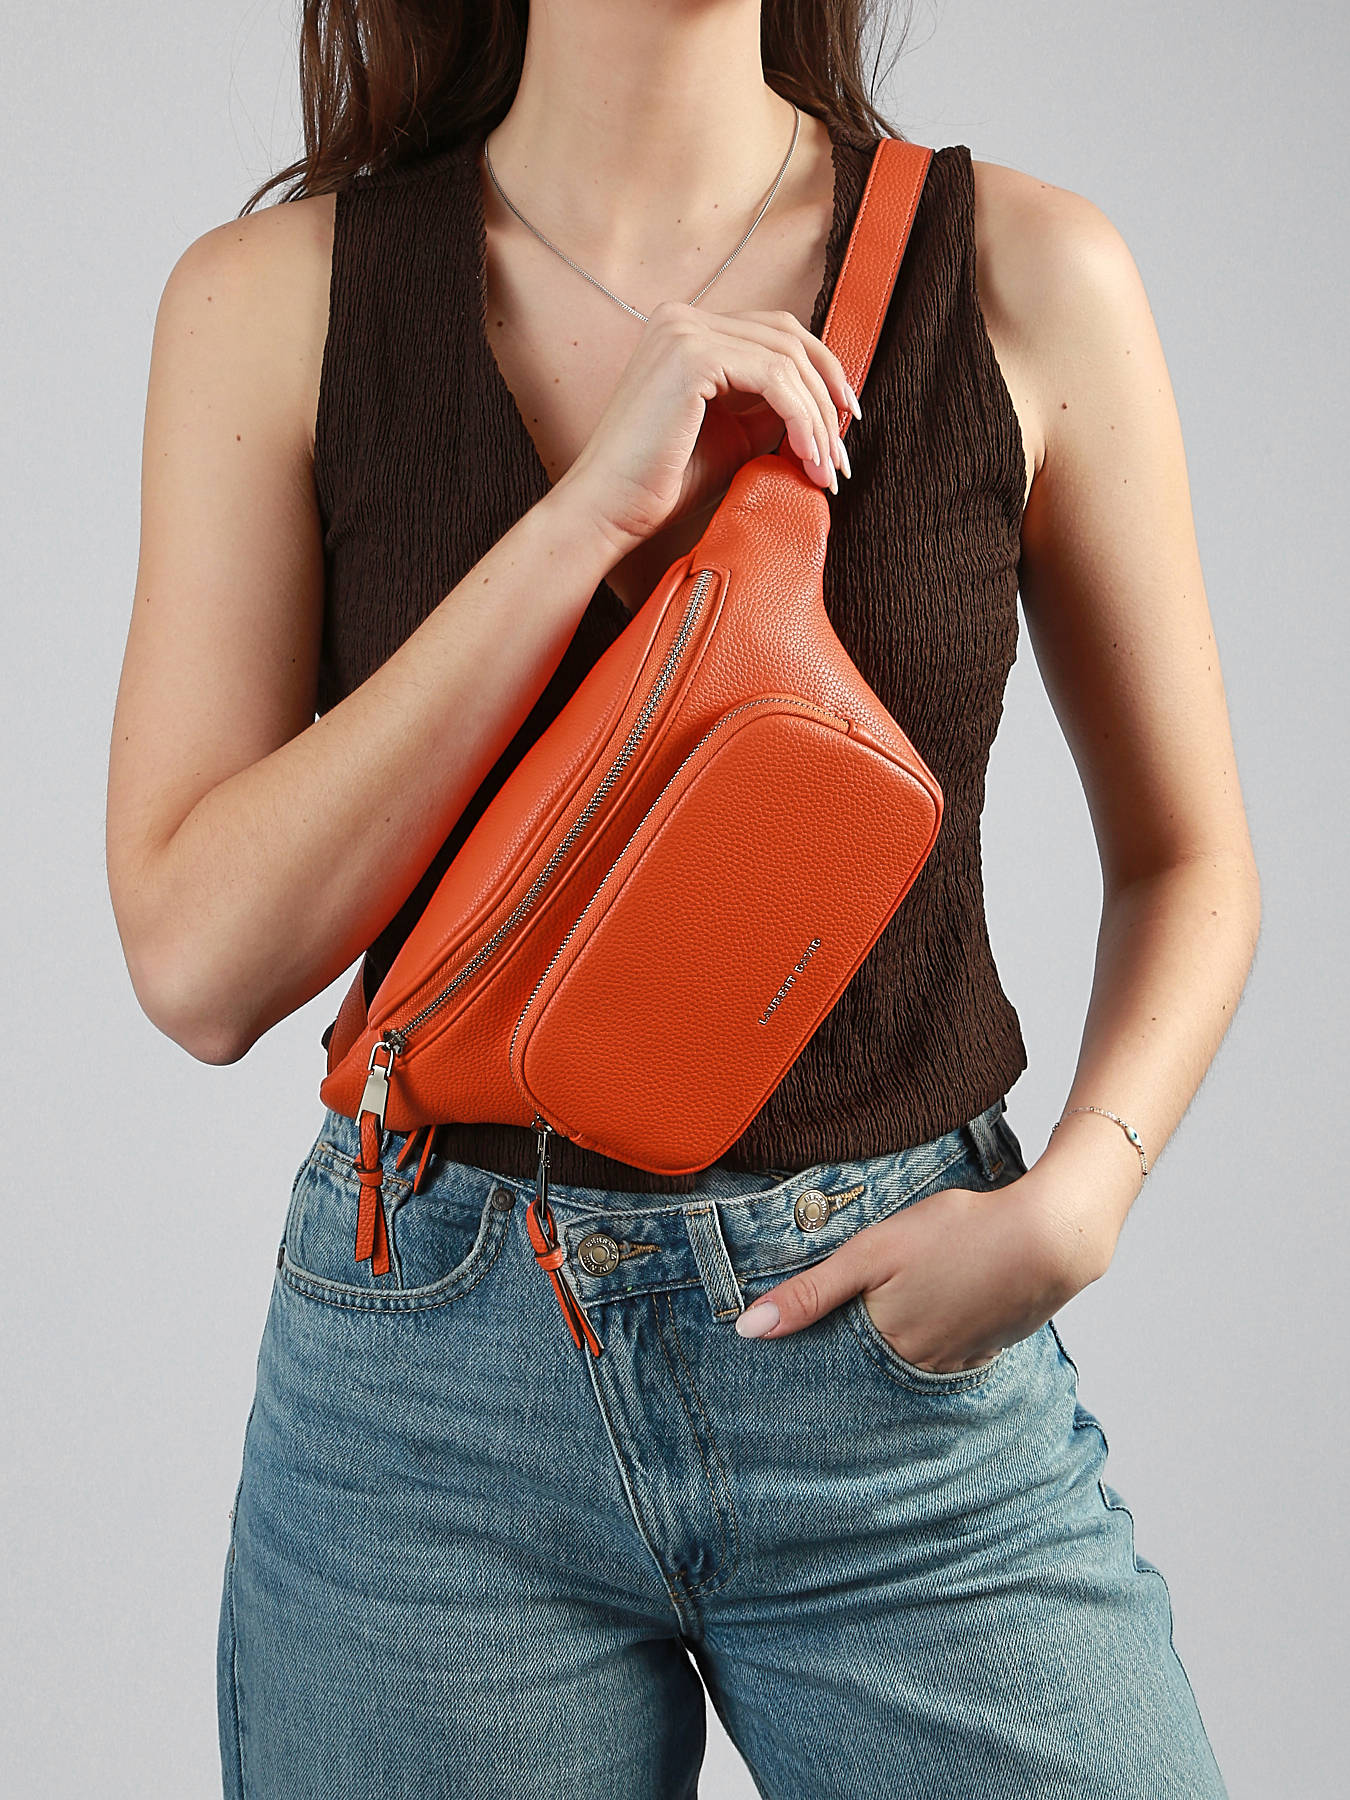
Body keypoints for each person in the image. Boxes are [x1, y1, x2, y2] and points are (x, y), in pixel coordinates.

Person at [106, 3, 1258, 1795]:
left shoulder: (1023, 274)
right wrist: (578, 520)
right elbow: (199, 965)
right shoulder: (273, 301)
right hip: (427, 1399)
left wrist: (1081, 1199)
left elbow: (1188, 855)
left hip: (893, 1365)